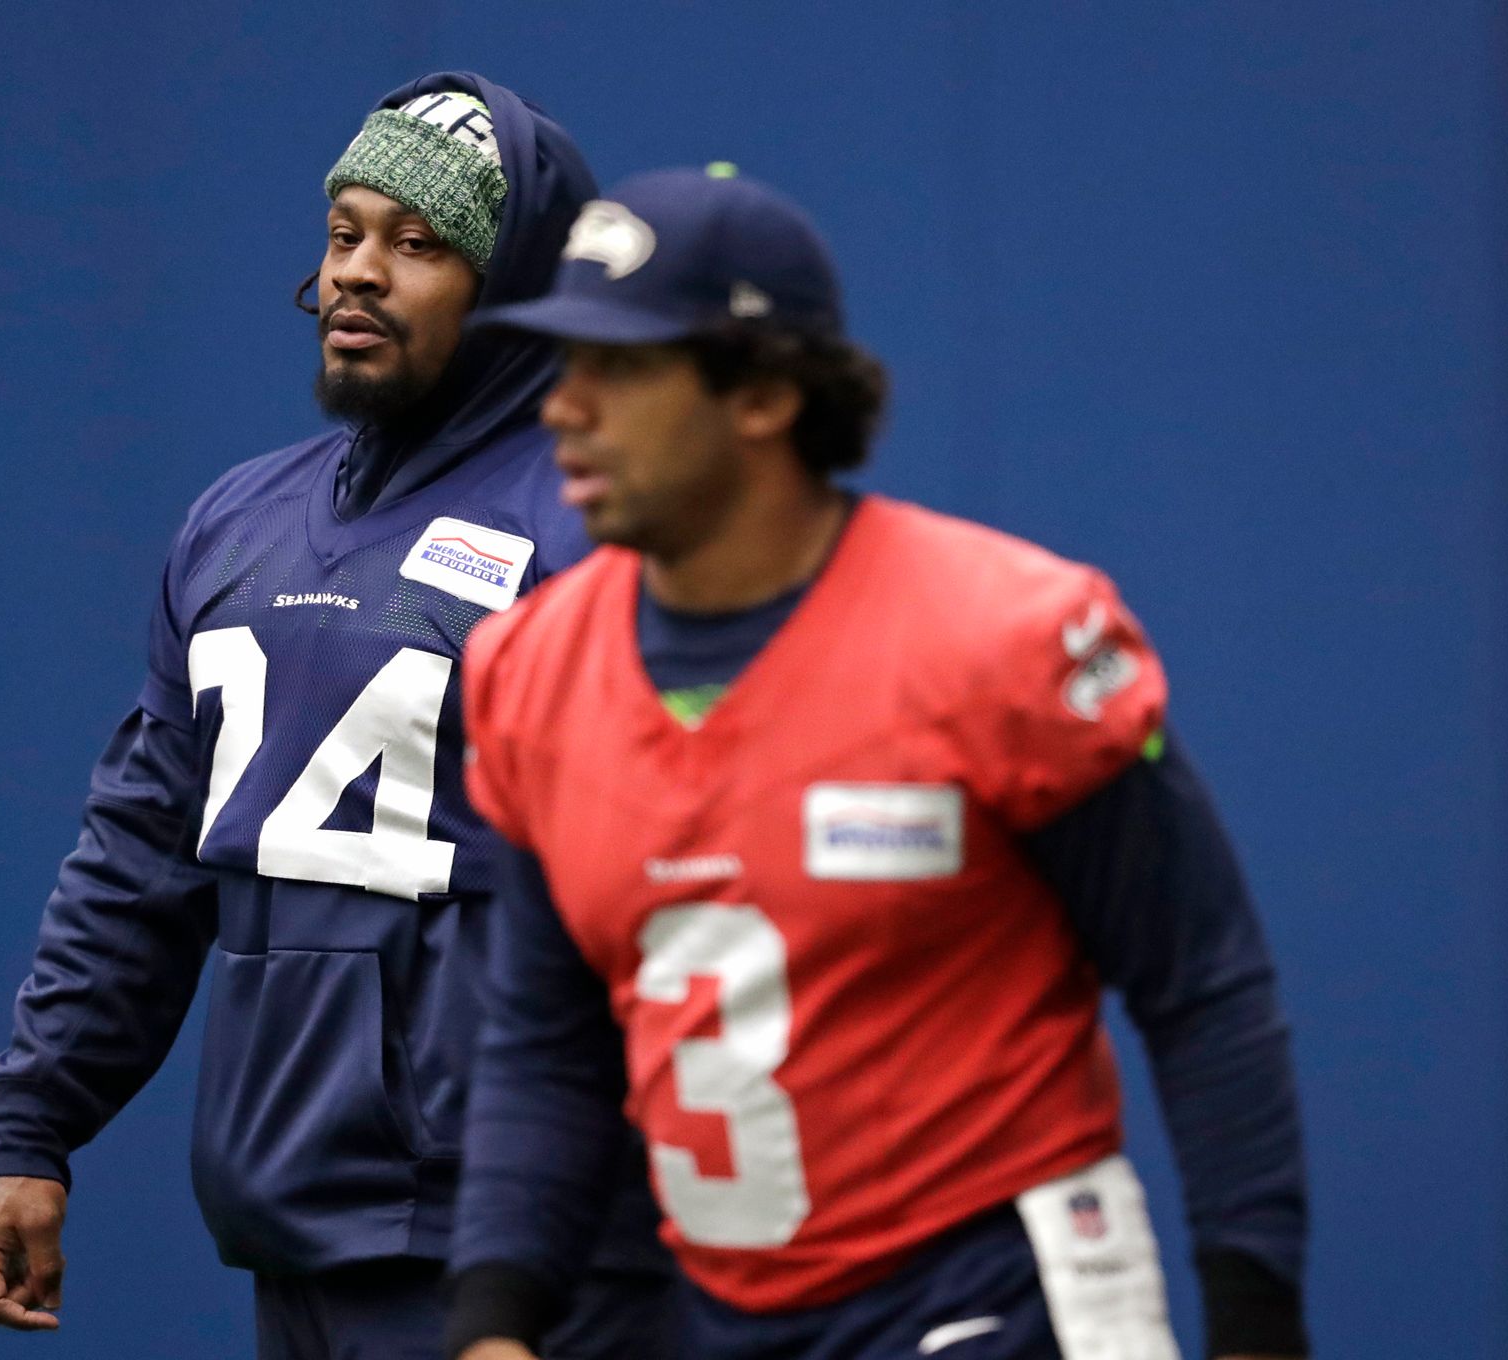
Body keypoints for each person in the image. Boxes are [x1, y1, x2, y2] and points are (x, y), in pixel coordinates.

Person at [442, 166, 1310, 1360]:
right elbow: (545, 1039)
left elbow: (1200, 987)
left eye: (621, 367)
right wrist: (495, 1319)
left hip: (995, 1294)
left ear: (764, 397)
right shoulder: (532, 669)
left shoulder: (1000, 637)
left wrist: (1257, 1322)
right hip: (723, 1313)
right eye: (562, 363)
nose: (563, 408)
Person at [0, 74, 673, 1360]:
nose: (357, 273)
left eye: (418, 244)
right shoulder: (236, 519)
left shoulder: (594, 531)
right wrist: (35, 1124)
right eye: (346, 232)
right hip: (286, 1217)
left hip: (521, 1254)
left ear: (512, 292)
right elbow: (140, 854)